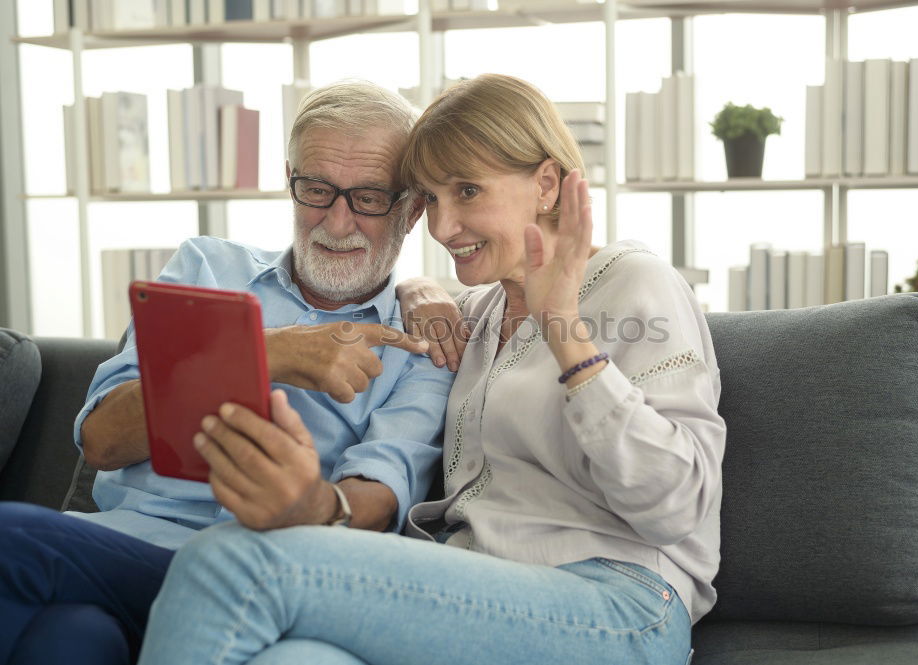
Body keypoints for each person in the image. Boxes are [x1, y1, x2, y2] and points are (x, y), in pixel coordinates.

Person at [136, 73, 726, 665]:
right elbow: (419, 296)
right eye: (433, 200)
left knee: (232, 561)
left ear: (546, 184)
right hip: (475, 595)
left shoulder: (635, 282)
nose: (442, 228)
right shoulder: (477, 311)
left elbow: (675, 506)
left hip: (620, 604)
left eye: (467, 192)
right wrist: (418, 289)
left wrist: (566, 334)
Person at [0, 81, 457, 665]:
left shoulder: (423, 342)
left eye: (369, 197)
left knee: (13, 535)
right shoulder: (206, 268)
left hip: (253, 569)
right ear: (289, 178)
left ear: (413, 208)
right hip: (121, 543)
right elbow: (102, 440)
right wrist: (272, 352)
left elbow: (378, 500)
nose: (338, 223)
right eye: (316, 190)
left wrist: (309, 503)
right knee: (68, 642)